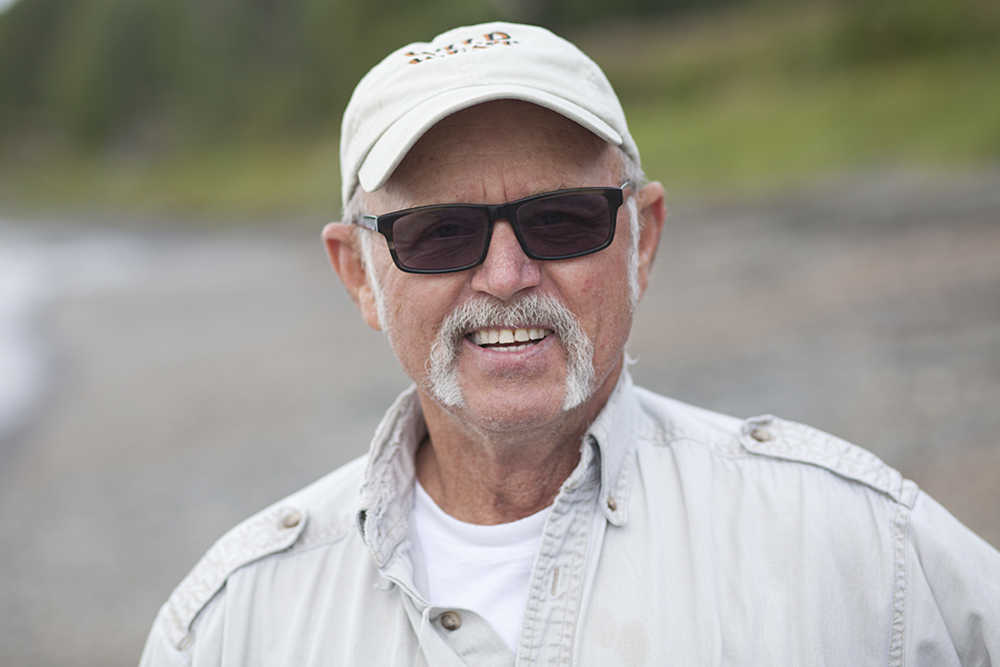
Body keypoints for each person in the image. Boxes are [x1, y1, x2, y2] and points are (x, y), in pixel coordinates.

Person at [139, 21, 999, 666]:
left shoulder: (860, 553)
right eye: (439, 233)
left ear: (643, 239)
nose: (507, 275)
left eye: (560, 220)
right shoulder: (233, 623)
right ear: (359, 273)